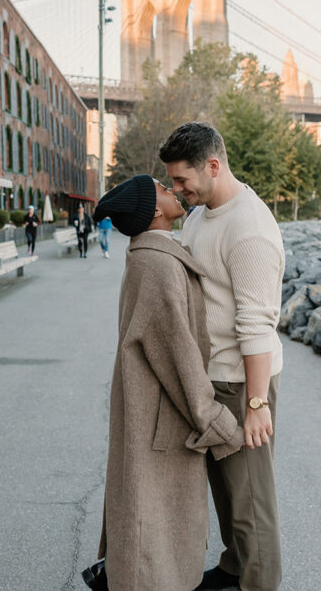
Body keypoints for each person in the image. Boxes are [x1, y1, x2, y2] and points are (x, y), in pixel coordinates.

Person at [88, 174, 243, 591]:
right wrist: (215, 421)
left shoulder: (154, 256)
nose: (170, 189)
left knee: (150, 514)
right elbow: (176, 355)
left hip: (153, 410)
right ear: (154, 210)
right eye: (161, 187)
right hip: (162, 415)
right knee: (152, 520)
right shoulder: (157, 264)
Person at [160, 122, 286, 591]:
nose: (177, 190)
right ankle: (235, 568)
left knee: (253, 503)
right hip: (210, 379)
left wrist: (257, 405)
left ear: (213, 166)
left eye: (181, 180)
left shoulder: (250, 228)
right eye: (172, 182)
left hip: (241, 382)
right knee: (228, 492)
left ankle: (258, 583)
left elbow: (257, 325)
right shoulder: (201, 212)